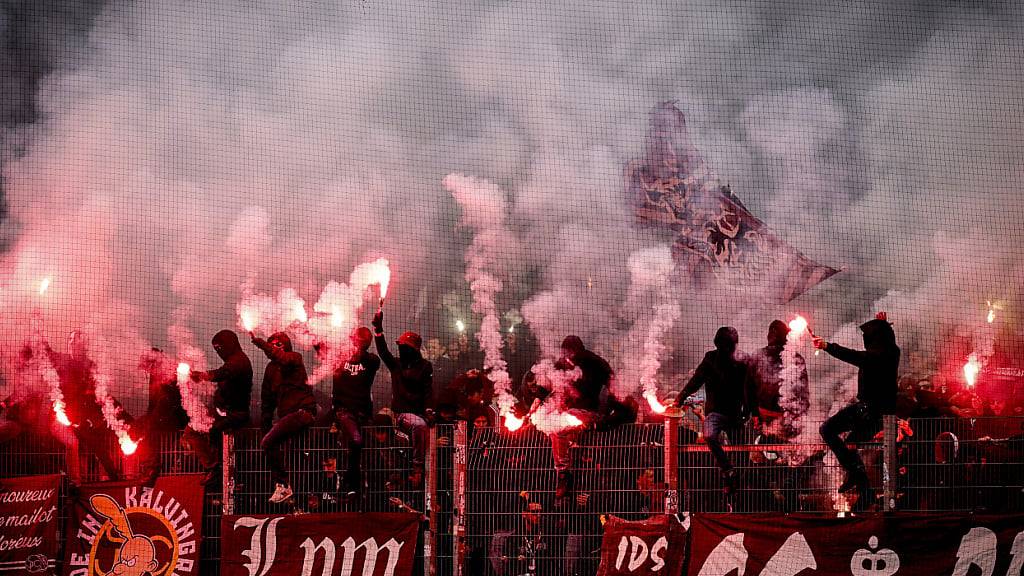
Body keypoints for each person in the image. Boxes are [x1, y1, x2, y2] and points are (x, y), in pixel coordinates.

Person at [814, 312, 900, 494]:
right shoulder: (893, 352)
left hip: (868, 411)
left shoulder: (876, 357)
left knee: (827, 430)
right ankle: (863, 488)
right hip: (880, 414)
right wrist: (883, 325)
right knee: (851, 445)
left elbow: (850, 355)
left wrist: (827, 346)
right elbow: (887, 340)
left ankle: (857, 476)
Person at [676, 327, 748, 493]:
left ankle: (735, 483)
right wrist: (680, 398)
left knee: (741, 451)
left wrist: (748, 410)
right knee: (709, 435)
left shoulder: (741, 360)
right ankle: (728, 469)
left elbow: (748, 387)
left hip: (735, 413)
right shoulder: (711, 358)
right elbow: (696, 380)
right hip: (715, 412)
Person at [46, 331, 122, 482]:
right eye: (70, 339)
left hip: (81, 420)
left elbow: (97, 393)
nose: (72, 343)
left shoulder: (90, 366)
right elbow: (46, 352)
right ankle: (75, 484)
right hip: (60, 418)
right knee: (72, 442)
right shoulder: (61, 360)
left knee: (98, 444)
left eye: (76, 340)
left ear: (84, 345)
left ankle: (114, 479)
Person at [183, 330, 254, 486]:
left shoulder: (239, 361)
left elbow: (223, 373)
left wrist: (203, 376)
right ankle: (216, 467)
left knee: (201, 431)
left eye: (219, 347)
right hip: (226, 414)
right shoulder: (234, 361)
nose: (218, 351)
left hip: (235, 415)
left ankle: (215, 469)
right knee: (192, 431)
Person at [253, 331, 317, 503]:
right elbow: (267, 401)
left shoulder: (294, 358)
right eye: (271, 344)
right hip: (288, 419)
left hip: (302, 413)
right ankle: (298, 501)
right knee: (295, 459)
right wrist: (265, 427)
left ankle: (282, 485)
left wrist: (261, 343)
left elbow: (283, 358)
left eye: (278, 344)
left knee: (269, 443)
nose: (274, 347)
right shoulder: (270, 370)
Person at [550, 335, 614, 499]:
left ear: (578, 350)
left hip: (589, 414)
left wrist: (605, 413)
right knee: (551, 423)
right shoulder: (561, 364)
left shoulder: (595, 363)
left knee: (557, 427)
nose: (568, 356)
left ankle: (563, 474)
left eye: (570, 352)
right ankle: (565, 469)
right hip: (569, 413)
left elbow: (612, 385)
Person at [371, 310, 432, 469]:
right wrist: (378, 330)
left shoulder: (425, 366)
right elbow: (384, 352)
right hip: (401, 415)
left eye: (406, 347)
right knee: (419, 426)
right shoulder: (396, 365)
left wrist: (429, 410)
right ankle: (417, 464)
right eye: (401, 347)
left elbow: (428, 391)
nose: (402, 350)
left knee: (425, 427)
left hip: (419, 412)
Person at [331, 326, 380, 496]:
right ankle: (351, 483)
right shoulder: (339, 357)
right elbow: (321, 348)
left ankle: (371, 490)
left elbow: (371, 359)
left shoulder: (371, 361)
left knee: (368, 451)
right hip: (344, 411)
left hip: (363, 413)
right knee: (356, 441)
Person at [136, 349, 188, 486]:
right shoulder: (158, 373)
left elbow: (168, 399)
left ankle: (153, 467)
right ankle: (155, 467)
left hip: (173, 418)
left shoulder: (167, 373)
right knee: (143, 427)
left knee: (152, 432)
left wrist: (151, 419)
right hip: (165, 416)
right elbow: (153, 402)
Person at [746, 320, 809, 434]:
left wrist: (754, 413)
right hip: (789, 416)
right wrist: (802, 414)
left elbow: (748, 388)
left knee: (759, 447)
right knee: (790, 448)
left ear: (769, 336)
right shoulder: (796, 358)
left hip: (763, 415)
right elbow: (803, 391)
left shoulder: (757, 356)